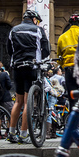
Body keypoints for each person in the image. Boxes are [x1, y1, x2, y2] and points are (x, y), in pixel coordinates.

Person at [7, 10, 50, 144]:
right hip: (32, 67)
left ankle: (11, 133)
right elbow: (46, 49)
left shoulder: (13, 30)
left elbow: (9, 50)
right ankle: (24, 135)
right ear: (34, 19)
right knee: (27, 102)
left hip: (17, 67)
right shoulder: (38, 30)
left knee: (18, 101)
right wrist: (42, 58)